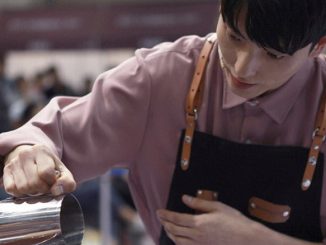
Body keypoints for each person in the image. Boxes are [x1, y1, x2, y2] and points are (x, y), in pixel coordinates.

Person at [0, 0, 326, 244]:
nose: (243, 68)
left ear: (318, 47)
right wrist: (28, 152)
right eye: (235, 36)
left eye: (273, 55)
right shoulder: (160, 79)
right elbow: (54, 136)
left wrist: (257, 240)